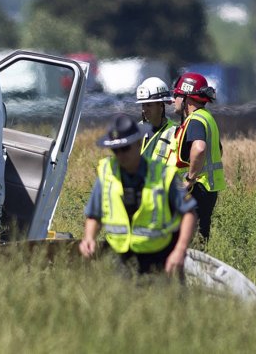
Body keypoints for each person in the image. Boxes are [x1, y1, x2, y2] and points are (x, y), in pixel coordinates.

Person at [79, 114, 196, 279]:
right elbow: (94, 215)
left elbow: (189, 213)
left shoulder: (163, 174)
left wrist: (180, 250)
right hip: (121, 260)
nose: (120, 155)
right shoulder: (106, 173)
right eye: (115, 150)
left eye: (125, 148)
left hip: (161, 259)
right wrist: (89, 237)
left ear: (139, 143)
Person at [172, 72, 227, 242]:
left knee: (189, 239)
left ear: (186, 97)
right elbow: (219, 150)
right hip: (208, 189)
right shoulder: (207, 118)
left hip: (197, 188)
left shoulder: (195, 120)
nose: (174, 100)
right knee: (200, 238)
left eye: (176, 95)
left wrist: (190, 178)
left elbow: (200, 148)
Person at [135, 77, 179, 168]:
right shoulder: (136, 130)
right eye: (143, 105)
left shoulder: (176, 132)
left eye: (149, 105)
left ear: (161, 106)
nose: (144, 110)